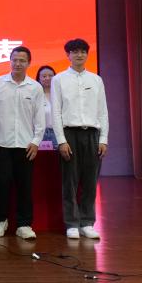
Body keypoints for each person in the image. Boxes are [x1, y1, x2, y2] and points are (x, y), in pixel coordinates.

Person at [51, 38, 109, 240]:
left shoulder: (96, 80)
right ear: (68, 55)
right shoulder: (59, 79)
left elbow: (103, 112)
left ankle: (87, 222)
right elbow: (56, 112)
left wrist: (103, 139)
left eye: (83, 51)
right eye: (75, 51)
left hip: (92, 134)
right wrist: (61, 140)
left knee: (90, 181)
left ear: (87, 54)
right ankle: (71, 223)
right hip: (70, 133)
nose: (79, 55)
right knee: (70, 181)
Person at [0, 46, 45, 240]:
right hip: (1, 143)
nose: (18, 64)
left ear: (28, 63)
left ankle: (24, 224)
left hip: (26, 145)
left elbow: (40, 117)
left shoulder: (35, 87)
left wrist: (36, 141)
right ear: (10, 61)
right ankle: (0, 221)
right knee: (2, 184)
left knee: (24, 185)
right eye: (15, 60)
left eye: (22, 60)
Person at [35, 65, 57, 146]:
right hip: (40, 134)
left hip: (58, 134)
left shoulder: (60, 94)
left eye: (50, 76)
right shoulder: (35, 95)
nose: (47, 78)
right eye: (44, 76)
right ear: (39, 78)